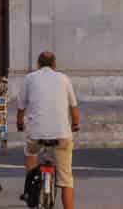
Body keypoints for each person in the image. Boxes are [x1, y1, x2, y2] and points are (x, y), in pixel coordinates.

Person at [13, 50, 80, 209]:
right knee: (66, 180)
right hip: (62, 134)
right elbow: (74, 109)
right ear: (54, 65)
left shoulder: (29, 78)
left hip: (36, 133)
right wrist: (75, 124)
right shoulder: (64, 78)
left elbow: (21, 108)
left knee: (30, 153)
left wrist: (20, 124)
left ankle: (30, 188)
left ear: (38, 64)